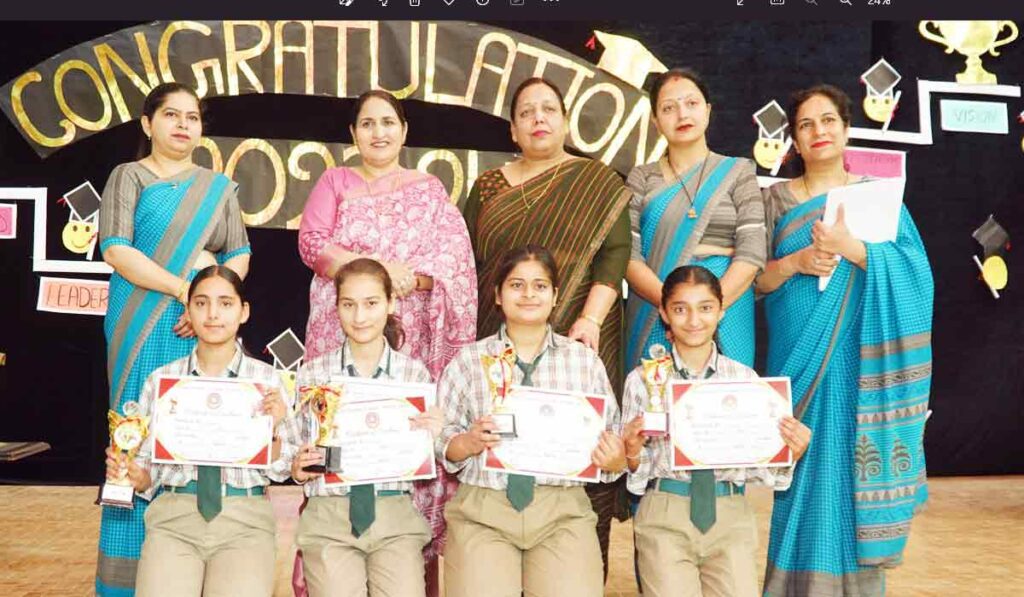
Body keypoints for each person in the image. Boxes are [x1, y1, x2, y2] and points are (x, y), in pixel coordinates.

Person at [297, 89, 476, 595]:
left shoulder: (429, 190)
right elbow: (312, 244)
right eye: (367, 123)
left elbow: (455, 261)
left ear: (404, 131)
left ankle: (404, 561)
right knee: (337, 434)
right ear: (353, 133)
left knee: (405, 438)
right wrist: (373, 275)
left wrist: (410, 279)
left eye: (388, 122)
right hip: (344, 322)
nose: (378, 132)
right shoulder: (334, 181)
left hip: (412, 333)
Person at [756, 85, 933, 595]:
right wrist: (797, 262)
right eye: (806, 124)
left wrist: (854, 248)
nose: (819, 131)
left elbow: (917, 278)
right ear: (794, 139)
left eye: (828, 120)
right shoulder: (773, 201)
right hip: (800, 361)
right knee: (801, 474)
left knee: (851, 475)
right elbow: (753, 282)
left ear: (847, 128)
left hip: (861, 365)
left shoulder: (880, 197)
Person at [461, 77, 632, 572]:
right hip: (499, 338)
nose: (538, 118)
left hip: (581, 334)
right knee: (501, 446)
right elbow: (466, 260)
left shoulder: (597, 181)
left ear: (565, 121)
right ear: (513, 130)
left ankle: (576, 567)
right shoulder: (487, 187)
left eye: (549, 109)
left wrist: (590, 319)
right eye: (526, 112)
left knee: (582, 448)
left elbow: (615, 253)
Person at [96, 82, 251, 596]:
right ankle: (124, 581)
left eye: (192, 117)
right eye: (171, 115)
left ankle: (194, 569)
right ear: (148, 123)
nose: (183, 125)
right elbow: (116, 249)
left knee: (193, 432)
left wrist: (210, 304)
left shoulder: (216, 188)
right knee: (134, 439)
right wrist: (184, 290)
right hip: (139, 321)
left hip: (199, 327)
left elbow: (238, 254)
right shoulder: (128, 176)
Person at [437, 244, 627, 597]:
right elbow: (441, 440)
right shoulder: (469, 361)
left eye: (539, 286)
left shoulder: (583, 362)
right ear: (498, 295)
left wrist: (616, 458)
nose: (528, 294)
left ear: (555, 296)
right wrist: (467, 441)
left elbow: (611, 439)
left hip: (562, 511)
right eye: (516, 285)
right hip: (484, 510)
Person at [620, 265, 810, 596]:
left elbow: (762, 470)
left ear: (721, 311)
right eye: (681, 309)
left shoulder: (745, 380)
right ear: (664, 313)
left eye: (705, 307)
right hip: (665, 511)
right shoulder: (643, 380)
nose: (694, 320)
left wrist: (790, 451)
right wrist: (633, 452)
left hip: (730, 514)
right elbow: (637, 474)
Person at [104, 266, 292, 597]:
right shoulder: (162, 381)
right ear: (188, 311)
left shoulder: (268, 382)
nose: (213, 314)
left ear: (244, 311)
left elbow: (283, 469)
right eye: (201, 303)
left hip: (245, 521)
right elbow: (147, 474)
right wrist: (133, 474)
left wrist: (273, 428)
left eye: (225, 303)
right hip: (174, 518)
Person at [287, 258, 441, 596]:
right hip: (330, 516)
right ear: (336, 307)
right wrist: (296, 467)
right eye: (348, 304)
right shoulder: (313, 374)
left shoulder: (414, 376)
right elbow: (291, 446)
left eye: (371, 303)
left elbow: (428, 453)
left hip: (394, 514)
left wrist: (435, 434)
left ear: (391, 303)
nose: (359, 317)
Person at [625, 68, 764, 370]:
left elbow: (752, 252)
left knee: (727, 396)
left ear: (708, 110)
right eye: (668, 108)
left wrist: (707, 311)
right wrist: (674, 309)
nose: (682, 114)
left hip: (728, 307)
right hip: (656, 308)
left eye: (691, 103)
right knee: (655, 395)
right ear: (655, 120)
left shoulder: (738, 172)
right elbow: (629, 257)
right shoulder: (641, 178)